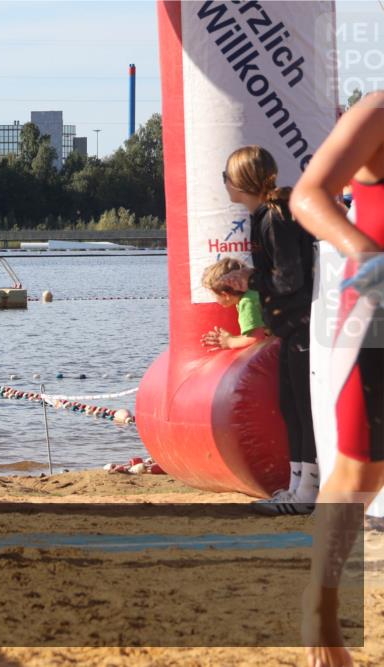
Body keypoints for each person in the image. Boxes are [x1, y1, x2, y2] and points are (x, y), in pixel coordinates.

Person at [289, 91, 383, 667]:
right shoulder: (377, 113)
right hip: (379, 316)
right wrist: (366, 253)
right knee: (360, 469)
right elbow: (309, 195)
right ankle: (320, 608)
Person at [218, 145, 319, 513]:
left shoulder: (273, 217)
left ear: (241, 182)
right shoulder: (264, 216)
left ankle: (307, 491)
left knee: (303, 408)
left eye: (226, 176)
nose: (224, 183)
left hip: (302, 324)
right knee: (290, 406)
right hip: (290, 326)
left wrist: (250, 280)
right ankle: (296, 488)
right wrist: (251, 277)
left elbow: (288, 278)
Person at [200, 257, 267, 350]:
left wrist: (229, 342)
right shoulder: (254, 292)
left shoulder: (246, 302)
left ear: (225, 294)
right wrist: (231, 338)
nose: (215, 299)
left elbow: (257, 338)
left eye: (213, 294)